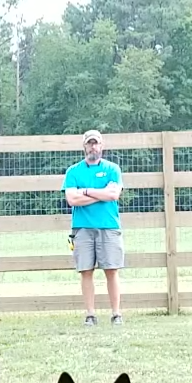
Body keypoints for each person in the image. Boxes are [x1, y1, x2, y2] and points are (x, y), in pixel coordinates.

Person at [64, 130, 124, 326]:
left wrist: (86, 192)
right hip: (82, 228)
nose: (93, 147)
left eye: (96, 143)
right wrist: (101, 193)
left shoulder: (113, 169)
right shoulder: (73, 171)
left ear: (102, 145)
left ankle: (116, 314)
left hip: (109, 226)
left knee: (112, 270)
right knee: (86, 271)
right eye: (89, 143)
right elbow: (72, 199)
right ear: (84, 146)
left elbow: (113, 195)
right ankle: (90, 314)